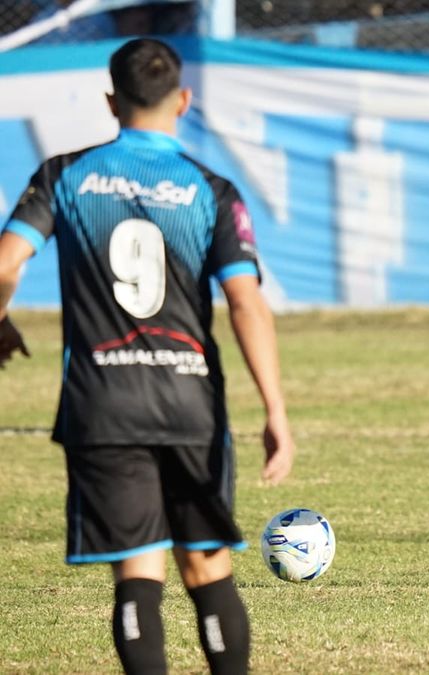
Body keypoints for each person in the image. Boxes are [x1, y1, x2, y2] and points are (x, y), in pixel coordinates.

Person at [0, 38, 294, 673]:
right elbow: (247, 303)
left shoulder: (64, 174)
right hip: (190, 402)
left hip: (102, 404)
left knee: (138, 568)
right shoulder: (211, 189)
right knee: (207, 563)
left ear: (111, 101)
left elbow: (5, 263)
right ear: (183, 100)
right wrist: (276, 410)